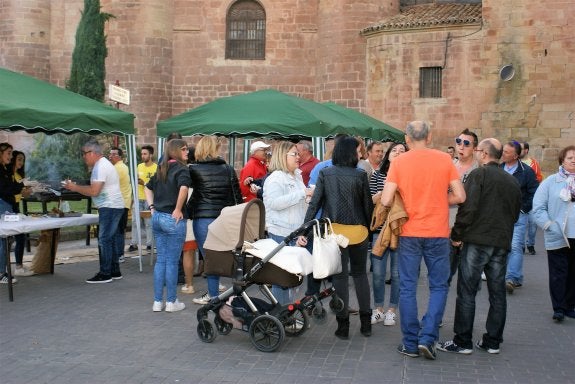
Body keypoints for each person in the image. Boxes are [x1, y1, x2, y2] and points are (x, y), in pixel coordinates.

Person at [381, 121, 465, 360]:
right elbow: (460, 195)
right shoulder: (444, 160)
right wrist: (439, 200)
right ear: (429, 137)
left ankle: (409, 343)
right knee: (439, 286)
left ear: (407, 139)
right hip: (438, 232)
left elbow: (386, 200)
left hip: (409, 232)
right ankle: (428, 338)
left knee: (407, 287)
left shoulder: (398, 162)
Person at [437, 138, 521, 355]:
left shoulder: (479, 175)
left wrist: (456, 234)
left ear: (483, 153)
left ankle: (463, 340)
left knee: (467, 291)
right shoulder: (511, 181)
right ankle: (492, 341)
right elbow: (515, 213)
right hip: (500, 242)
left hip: (477, 240)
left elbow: (468, 208)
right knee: (497, 293)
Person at [303, 136, 374, 339]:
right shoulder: (360, 175)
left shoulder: (326, 173)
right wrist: (369, 229)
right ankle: (366, 323)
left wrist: (305, 229)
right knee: (360, 275)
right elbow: (367, 206)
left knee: (340, 277)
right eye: (358, 151)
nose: (360, 154)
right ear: (351, 153)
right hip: (358, 232)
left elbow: (314, 204)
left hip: (334, 232)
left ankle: (343, 326)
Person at [63, 140, 125, 283]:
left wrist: (74, 187)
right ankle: (114, 271)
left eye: (84, 153)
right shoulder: (102, 165)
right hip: (113, 206)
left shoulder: (101, 166)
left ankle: (105, 274)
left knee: (104, 240)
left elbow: (94, 191)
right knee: (110, 239)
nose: (83, 157)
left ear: (92, 153)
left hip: (110, 207)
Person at [190, 136, 242, 305]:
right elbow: (237, 197)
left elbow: (189, 194)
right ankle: (237, 295)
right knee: (228, 256)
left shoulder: (193, 169)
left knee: (209, 259)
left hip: (203, 218)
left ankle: (213, 296)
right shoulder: (227, 169)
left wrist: (188, 211)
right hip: (224, 218)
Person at [263, 141, 313, 304]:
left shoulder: (296, 176)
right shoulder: (275, 178)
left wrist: (308, 197)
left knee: (292, 278)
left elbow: (299, 203)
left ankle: (288, 313)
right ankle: (282, 315)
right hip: (281, 233)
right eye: (294, 154)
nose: (298, 157)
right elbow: (274, 203)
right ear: (282, 156)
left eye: (298, 154)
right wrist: (302, 193)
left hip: (295, 233)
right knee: (282, 279)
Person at [145, 138, 191, 312]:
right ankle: (171, 302)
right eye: (185, 149)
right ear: (177, 151)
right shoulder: (182, 169)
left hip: (158, 218)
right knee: (171, 262)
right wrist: (178, 208)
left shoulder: (161, 168)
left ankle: (158, 302)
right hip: (173, 219)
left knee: (161, 261)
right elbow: (184, 188)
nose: (187, 152)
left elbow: (148, 188)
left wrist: (152, 208)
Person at [532, 145, 575, 322]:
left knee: (573, 273)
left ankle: (569, 305)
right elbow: (538, 208)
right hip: (558, 234)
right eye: (570, 157)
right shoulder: (551, 182)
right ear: (562, 160)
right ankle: (558, 307)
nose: (573, 160)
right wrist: (549, 225)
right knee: (559, 272)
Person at [369, 142, 407, 326]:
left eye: (402, 151)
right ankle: (378, 309)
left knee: (397, 274)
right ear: (388, 155)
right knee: (377, 273)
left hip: (401, 230)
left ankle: (392, 310)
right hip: (379, 231)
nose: (398, 153)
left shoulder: (410, 177)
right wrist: (386, 192)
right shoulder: (378, 175)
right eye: (395, 150)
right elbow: (371, 200)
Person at [500, 141, 539, 294]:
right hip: (499, 216)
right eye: (503, 151)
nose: (503, 154)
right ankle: (509, 275)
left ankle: (512, 278)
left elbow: (534, 192)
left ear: (516, 156)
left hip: (518, 216)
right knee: (502, 247)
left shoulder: (527, 172)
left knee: (515, 246)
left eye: (506, 152)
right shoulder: (498, 168)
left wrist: (523, 209)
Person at [448, 129, 480, 284]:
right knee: (444, 275)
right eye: (458, 141)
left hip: (471, 229)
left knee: (469, 279)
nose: (461, 146)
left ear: (474, 148)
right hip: (447, 226)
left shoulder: (480, 171)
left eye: (466, 143)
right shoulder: (448, 166)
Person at [0, 143, 28, 284]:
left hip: (8, 205)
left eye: (12, 154)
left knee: (6, 240)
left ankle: (3, 271)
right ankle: (1, 273)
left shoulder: (5, 169)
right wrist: (22, 187)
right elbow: (5, 188)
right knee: (3, 240)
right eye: (9, 153)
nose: (11, 156)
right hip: (3, 205)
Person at [129, 145, 157, 252]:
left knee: (149, 223)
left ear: (151, 155)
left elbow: (157, 185)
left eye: (145, 154)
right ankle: (134, 243)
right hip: (138, 198)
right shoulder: (139, 166)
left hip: (149, 199)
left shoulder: (156, 168)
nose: (143, 156)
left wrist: (144, 182)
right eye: (142, 154)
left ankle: (150, 244)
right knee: (135, 222)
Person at [10, 150, 33, 277]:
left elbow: (21, 193)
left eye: (22, 160)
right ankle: (17, 267)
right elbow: (11, 190)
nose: (21, 162)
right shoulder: (8, 174)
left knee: (20, 235)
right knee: (18, 236)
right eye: (19, 159)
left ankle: (19, 265)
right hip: (9, 206)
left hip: (16, 206)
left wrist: (29, 190)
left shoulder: (19, 174)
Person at [109, 147, 132, 264]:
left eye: (113, 154)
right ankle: (119, 254)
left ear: (119, 156)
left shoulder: (117, 168)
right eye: (110, 154)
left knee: (117, 230)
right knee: (120, 230)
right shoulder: (123, 167)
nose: (110, 156)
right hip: (124, 202)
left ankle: (119, 255)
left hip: (119, 203)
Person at [521, 142, 543, 255]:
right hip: (520, 200)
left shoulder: (534, 164)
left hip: (532, 199)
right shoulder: (514, 164)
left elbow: (539, 178)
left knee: (533, 224)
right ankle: (521, 245)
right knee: (520, 224)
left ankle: (530, 243)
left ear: (526, 150)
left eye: (521, 149)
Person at [181, 145, 197, 294]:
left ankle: (189, 284)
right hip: (204, 215)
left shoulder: (184, 171)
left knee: (188, 252)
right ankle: (216, 284)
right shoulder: (203, 170)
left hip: (189, 217)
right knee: (209, 251)